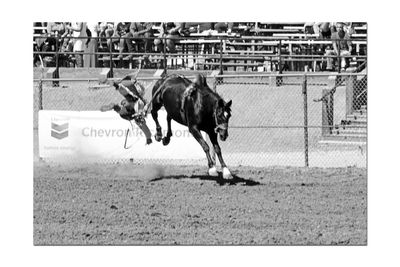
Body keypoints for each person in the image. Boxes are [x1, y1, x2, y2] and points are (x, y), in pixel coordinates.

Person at [100, 74, 152, 145]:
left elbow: (124, 91)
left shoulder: (134, 97)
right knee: (133, 102)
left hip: (132, 108)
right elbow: (124, 90)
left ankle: (116, 106)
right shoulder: (133, 96)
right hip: (133, 107)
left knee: (132, 102)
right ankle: (117, 106)